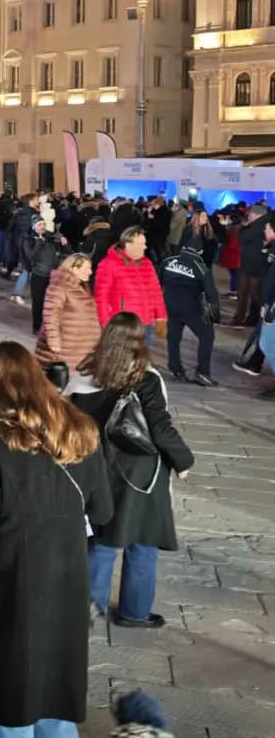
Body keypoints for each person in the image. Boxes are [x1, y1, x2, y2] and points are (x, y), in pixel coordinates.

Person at [0, 341, 115, 738]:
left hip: (12, 591)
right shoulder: (81, 429)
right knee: (55, 702)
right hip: (67, 586)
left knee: (9, 708)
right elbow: (104, 513)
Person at [68, 313, 195, 629]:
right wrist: (183, 461)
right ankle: (134, 612)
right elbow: (160, 427)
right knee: (143, 541)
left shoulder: (85, 374)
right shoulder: (146, 378)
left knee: (103, 540)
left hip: (98, 469)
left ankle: (85, 609)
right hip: (140, 475)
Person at [159, 236, 220, 386]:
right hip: (191, 308)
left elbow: (157, 283)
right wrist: (214, 315)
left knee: (173, 338)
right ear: (200, 251)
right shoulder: (201, 267)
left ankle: (175, 369)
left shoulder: (168, 262)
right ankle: (202, 373)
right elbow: (212, 294)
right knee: (207, 336)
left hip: (169, 305)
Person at [36, 254, 100, 386]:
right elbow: (50, 313)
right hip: (65, 349)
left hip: (80, 348)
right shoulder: (59, 286)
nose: (91, 272)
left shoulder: (81, 286)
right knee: (59, 382)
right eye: (87, 268)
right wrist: (54, 341)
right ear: (74, 268)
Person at [94, 227, 165, 330]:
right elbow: (101, 298)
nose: (145, 247)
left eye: (145, 243)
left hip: (146, 323)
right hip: (122, 325)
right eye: (141, 244)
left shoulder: (147, 263)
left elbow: (155, 291)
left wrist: (161, 316)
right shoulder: (108, 264)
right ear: (128, 245)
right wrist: (106, 324)